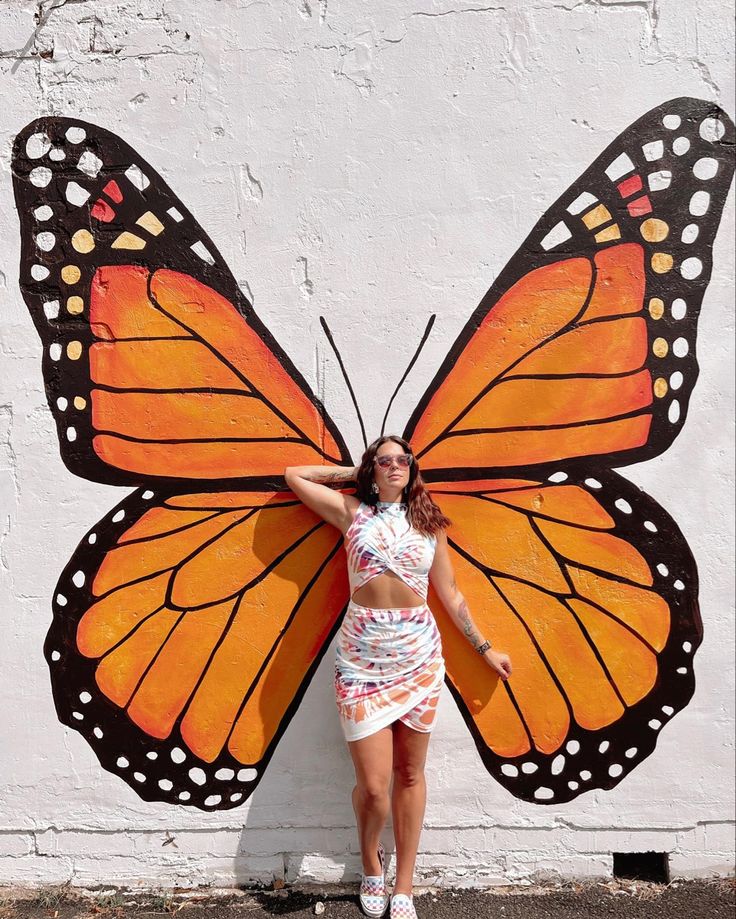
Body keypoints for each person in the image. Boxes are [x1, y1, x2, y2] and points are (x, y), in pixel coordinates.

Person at [285, 435, 512, 919]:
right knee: (372, 785)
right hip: (361, 661)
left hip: (418, 659)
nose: (394, 466)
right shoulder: (352, 513)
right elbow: (295, 476)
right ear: (372, 470)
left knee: (409, 774)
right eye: (384, 461)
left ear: (413, 467)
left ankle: (404, 886)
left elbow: (450, 593)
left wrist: (485, 648)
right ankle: (372, 865)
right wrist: (356, 470)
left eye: (401, 460)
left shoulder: (429, 524)